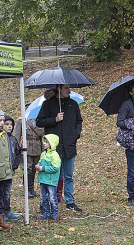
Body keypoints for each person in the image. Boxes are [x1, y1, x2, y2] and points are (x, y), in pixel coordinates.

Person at [36, 84, 83, 213]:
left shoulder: (73, 104)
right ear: (59, 89)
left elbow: (79, 121)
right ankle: (47, 202)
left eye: (69, 87)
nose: (69, 90)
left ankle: (70, 201)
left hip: (69, 145)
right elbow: (39, 121)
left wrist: (75, 135)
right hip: (53, 147)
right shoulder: (48, 104)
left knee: (68, 175)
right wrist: (54, 119)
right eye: (66, 88)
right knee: (52, 175)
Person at [12, 112, 45, 199]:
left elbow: (41, 135)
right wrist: (17, 149)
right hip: (27, 147)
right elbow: (17, 136)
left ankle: (31, 189)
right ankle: (27, 190)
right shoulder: (21, 121)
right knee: (28, 168)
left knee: (34, 168)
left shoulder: (38, 119)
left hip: (37, 147)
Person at [36, 134, 62, 220]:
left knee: (52, 197)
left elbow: (55, 168)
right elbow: (40, 162)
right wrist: (38, 165)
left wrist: (43, 168)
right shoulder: (43, 154)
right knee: (44, 197)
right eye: (44, 141)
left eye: (47, 142)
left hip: (51, 181)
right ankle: (46, 212)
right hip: (43, 180)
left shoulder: (55, 156)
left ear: (52, 143)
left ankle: (55, 213)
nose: (44, 143)